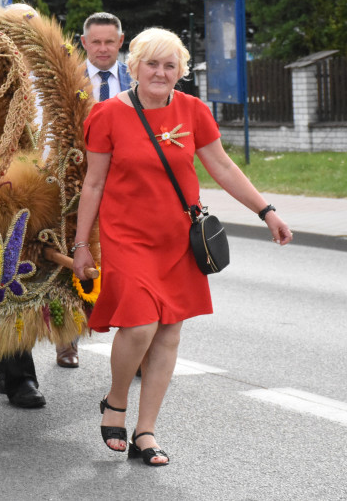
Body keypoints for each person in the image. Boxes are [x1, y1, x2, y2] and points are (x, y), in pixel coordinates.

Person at [72, 27, 292, 467]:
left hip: (178, 235)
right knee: (139, 325)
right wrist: (81, 243)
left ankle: (146, 430)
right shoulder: (107, 115)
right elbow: (93, 183)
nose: (160, 72)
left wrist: (265, 210)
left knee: (170, 331)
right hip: (127, 236)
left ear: (181, 72)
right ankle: (116, 400)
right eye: (151, 63)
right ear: (133, 67)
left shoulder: (193, 111)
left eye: (169, 65)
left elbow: (223, 167)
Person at [53, 11, 134, 369]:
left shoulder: (138, 79)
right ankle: (67, 340)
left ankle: (136, 345)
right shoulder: (66, 79)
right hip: (76, 183)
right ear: (83, 43)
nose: (103, 48)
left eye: (109, 42)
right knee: (76, 257)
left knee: (128, 269)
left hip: (128, 186)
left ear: (121, 42)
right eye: (95, 42)